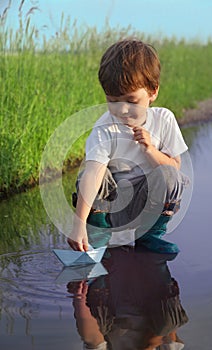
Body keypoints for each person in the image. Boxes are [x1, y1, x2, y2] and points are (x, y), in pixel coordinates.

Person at [68, 38, 189, 252]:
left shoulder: (164, 119)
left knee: (170, 175)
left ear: (153, 92)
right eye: (113, 101)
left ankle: (148, 235)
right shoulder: (105, 128)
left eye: (131, 101)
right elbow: (93, 175)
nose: (122, 110)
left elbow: (175, 166)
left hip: (146, 204)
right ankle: (97, 234)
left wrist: (150, 150)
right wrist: (78, 224)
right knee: (90, 174)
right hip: (111, 207)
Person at [67, 246, 188, 349]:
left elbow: (92, 339)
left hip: (107, 293)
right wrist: (150, 346)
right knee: (167, 326)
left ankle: (101, 256)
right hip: (147, 290)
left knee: (95, 338)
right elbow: (170, 330)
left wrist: (79, 299)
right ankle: (155, 259)